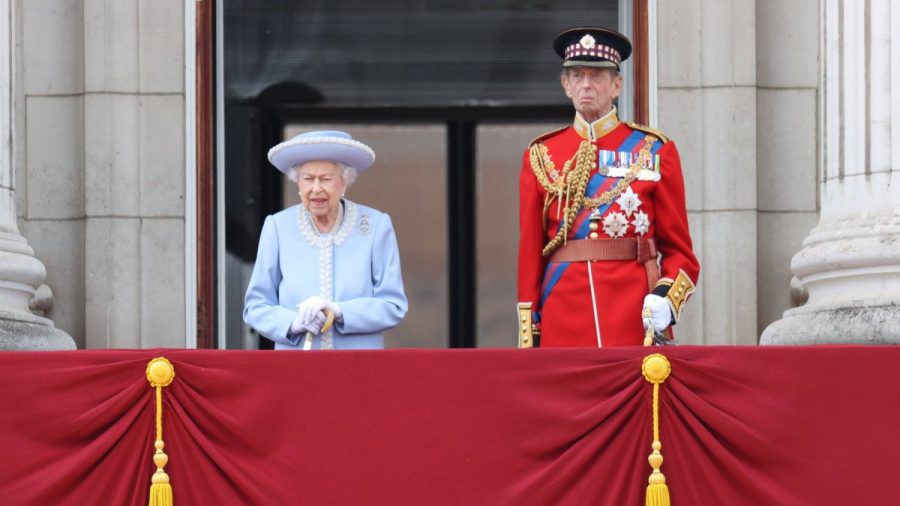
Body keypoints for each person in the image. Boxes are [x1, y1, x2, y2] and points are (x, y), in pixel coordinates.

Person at [517, 27, 699, 348]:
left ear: (616, 85)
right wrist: (530, 330)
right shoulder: (541, 155)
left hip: (632, 310)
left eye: (597, 76)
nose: (586, 84)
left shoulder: (654, 150)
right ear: (566, 85)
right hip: (563, 313)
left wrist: (666, 299)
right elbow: (531, 253)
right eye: (577, 75)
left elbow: (680, 252)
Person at [244, 130, 408, 349]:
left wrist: (338, 311)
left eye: (326, 179)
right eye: (308, 179)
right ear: (298, 184)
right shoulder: (278, 227)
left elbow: (393, 305)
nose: (316, 188)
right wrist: (293, 322)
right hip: (297, 368)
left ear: (344, 183)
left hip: (358, 367)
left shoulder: (376, 226)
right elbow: (255, 307)